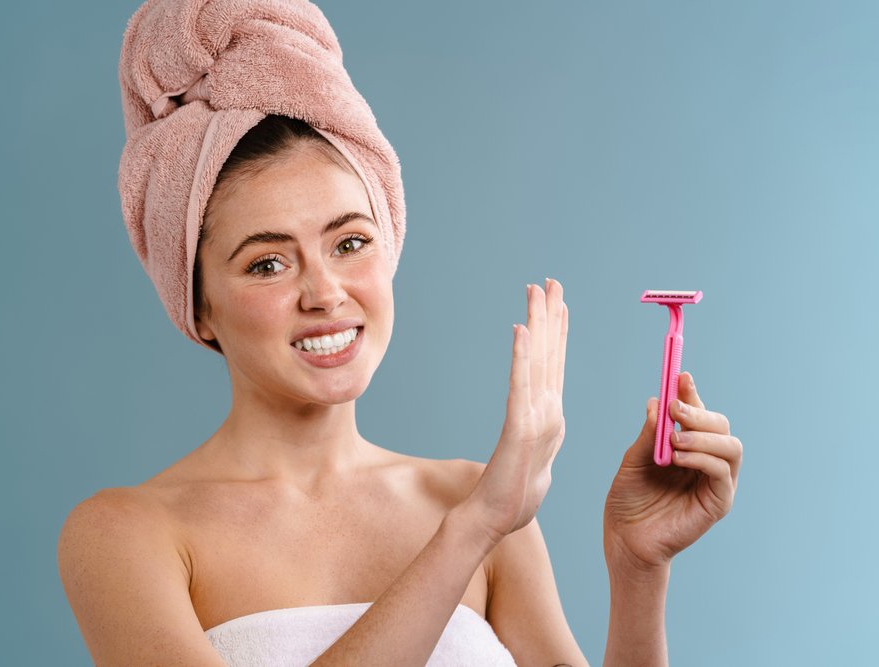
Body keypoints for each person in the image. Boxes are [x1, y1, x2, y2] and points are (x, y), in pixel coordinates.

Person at [58, 3, 743, 666]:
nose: (324, 291)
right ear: (198, 305)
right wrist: (471, 529)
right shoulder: (125, 535)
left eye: (350, 242)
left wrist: (637, 568)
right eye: (268, 261)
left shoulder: (478, 500)